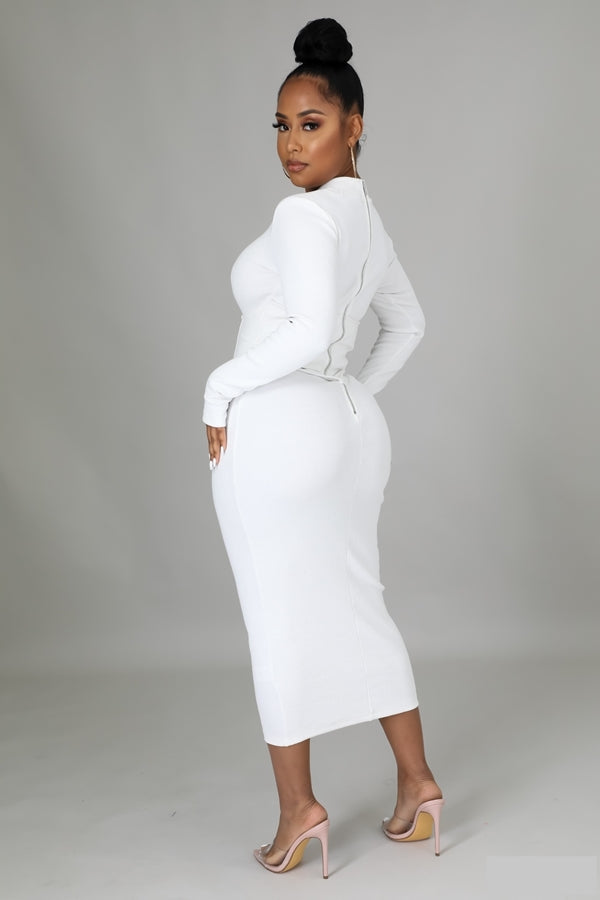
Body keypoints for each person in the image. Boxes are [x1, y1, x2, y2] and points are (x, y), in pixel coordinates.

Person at [203, 17, 443, 878]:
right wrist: (349, 396)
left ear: (354, 125)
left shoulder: (302, 215)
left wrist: (219, 387)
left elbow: (305, 332)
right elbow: (407, 324)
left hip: (278, 433)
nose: (290, 143)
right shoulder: (365, 219)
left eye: (311, 123)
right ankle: (418, 784)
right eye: (281, 125)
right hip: (349, 431)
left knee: (278, 616)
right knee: (359, 602)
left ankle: (298, 812)